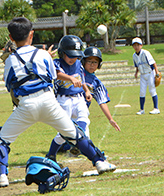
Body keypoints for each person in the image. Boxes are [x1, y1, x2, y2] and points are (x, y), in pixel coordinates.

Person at [0, 18, 116, 188]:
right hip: (49, 102)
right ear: (31, 34)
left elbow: (10, 85)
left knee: (0, 140)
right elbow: (52, 77)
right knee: (75, 134)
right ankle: (100, 162)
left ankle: (1, 175)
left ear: (11, 36)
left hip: (26, 105)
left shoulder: (10, 60)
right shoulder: (42, 54)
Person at [45, 35, 116, 172]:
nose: (73, 58)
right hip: (63, 99)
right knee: (64, 133)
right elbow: (56, 73)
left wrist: (86, 91)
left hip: (78, 98)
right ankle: (51, 155)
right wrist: (70, 78)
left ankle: (94, 157)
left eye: (76, 56)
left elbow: (81, 79)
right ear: (62, 53)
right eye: (70, 55)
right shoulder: (57, 63)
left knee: (84, 121)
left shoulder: (78, 64)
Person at [82, 46, 121, 132]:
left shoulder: (97, 83)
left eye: (95, 62)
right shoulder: (77, 72)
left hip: (82, 113)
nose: (92, 64)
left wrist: (110, 119)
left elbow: (102, 102)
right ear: (83, 61)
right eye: (89, 61)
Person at [132, 37, 161, 115]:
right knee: (142, 92)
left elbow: (153, 63)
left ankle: (156, 108)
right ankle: (142, 109)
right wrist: (136, 73)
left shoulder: (145, 53)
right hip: (142, 75)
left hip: (150, 73)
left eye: (138, 45)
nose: (136, 47)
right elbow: (137, 66)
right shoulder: (134, 56)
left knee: (152, 90)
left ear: (141, 45)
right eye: (134, 45)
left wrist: (157, 72)